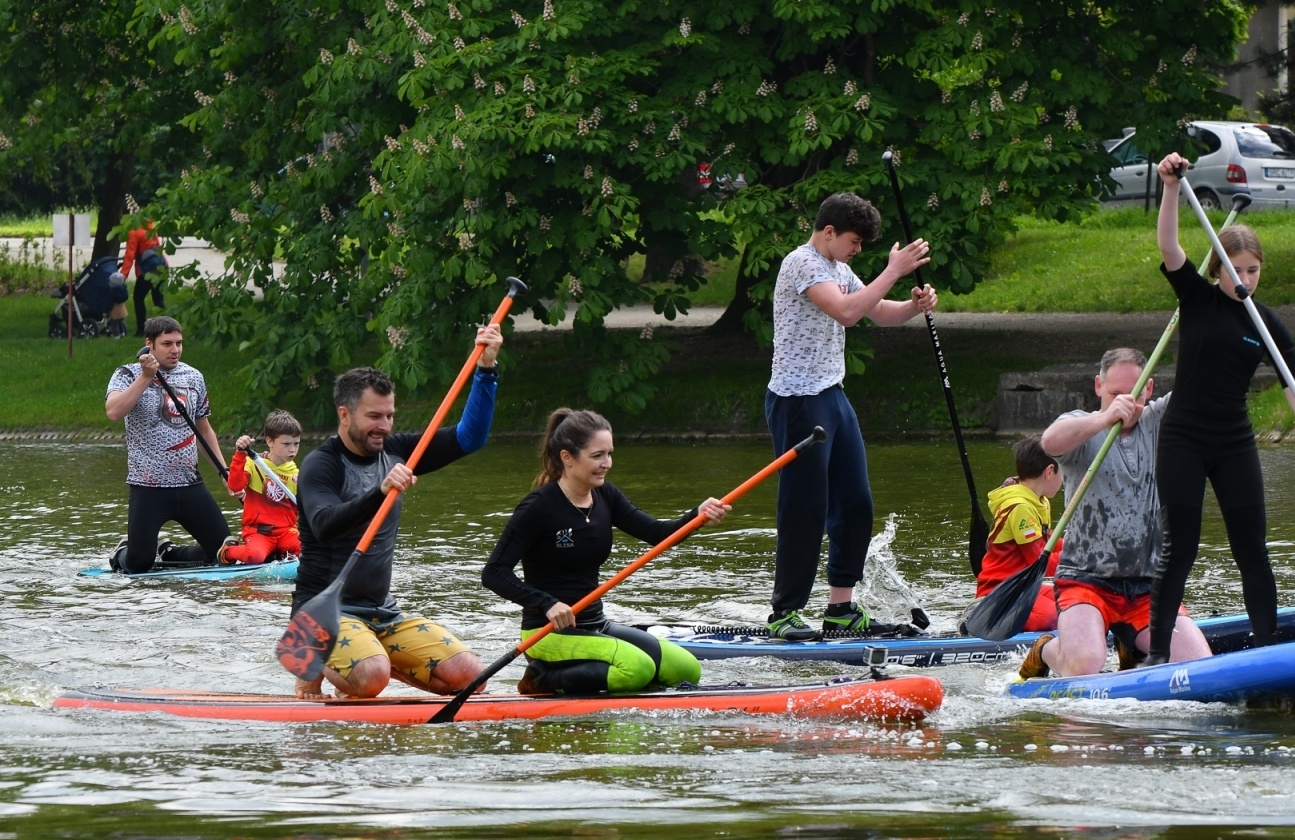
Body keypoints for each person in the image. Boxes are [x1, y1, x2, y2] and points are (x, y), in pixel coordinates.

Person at [1140, 153, 1295, 667]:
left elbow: (1294, 384)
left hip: (1233, 442)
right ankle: (1158, 655)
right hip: (1183, 438)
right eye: (1235, 270)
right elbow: (1169, 246)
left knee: (1252, 549)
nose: (1245, 278)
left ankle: (1267, 652)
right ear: (1218, 269)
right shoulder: (1197, 298)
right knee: (1181, 547)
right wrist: (1170, 187)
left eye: (1253, 270)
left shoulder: (1267, 324)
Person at [291, 325, 502, 699]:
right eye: (374, 417)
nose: (385, 427)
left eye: (389, 416)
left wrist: (486, 369)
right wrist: (380, 492)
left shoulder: (399, 452)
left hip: (383, 613)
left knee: (472, 677)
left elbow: (471, 438)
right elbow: (324, 525)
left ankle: (371, 659)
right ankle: (318, 662)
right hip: (322, 612)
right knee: (372, 678)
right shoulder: (321, 465)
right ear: (344, 414)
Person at [765, 192, 937, 641]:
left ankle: (840, 608)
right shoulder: (801, 263)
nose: (858, 249)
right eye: (854, 241)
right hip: (798, 400)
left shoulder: (840, 268)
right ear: (829, 232)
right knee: (805, 507)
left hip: (832, 395)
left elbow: (877, 312)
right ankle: (784, 611)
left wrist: (914, 306)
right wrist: (893, 271)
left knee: (856, 503)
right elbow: (845, 312)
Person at [481, 408, 731, 695]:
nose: (607, 464)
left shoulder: (606, 495)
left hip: (596, 624)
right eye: (597, 456)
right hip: (547, 632)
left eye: (609, 454)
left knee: (686, 669)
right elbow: (494, 573)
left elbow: (658, 535)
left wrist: (697, 516)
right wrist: (547, 603)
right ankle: (542, 679)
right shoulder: (538, 507)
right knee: (637, 668)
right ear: (567, 458)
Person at [1017, 348, 1212, 679]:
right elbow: (1049, 442)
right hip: (1085, 580)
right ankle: (1048, 649)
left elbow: (1201, 384)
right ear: (1098, 386)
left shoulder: (1160, 419)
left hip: (1150, 585)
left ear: (1149, 388)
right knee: (1084, 666)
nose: (1125, 403)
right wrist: (1104, 419)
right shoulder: (1080, 425)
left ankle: (1131, 644)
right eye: (1115, 394)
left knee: (1198, 666)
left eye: (1134, 394)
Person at [104, 316, 230, 573]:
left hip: (189, 483)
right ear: (149, 344)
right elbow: (114, 412)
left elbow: (203, 429)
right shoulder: (127, 373)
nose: (175, 350)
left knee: (222, 553)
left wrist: (225, 472)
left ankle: (170, 552)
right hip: (148, 486)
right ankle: (121, 553)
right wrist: (146, 377)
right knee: (139, 563)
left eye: (179, 343)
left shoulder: (193, 377)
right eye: (167, 344)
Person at [975, 437, 1064, 634]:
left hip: (1025, 588)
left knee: (1074, 603)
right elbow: (1040, 562)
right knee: (1052, 618)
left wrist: (1082, 545)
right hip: (1001, 591)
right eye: (1063, 472)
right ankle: (982, 615)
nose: (1064, 480)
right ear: (1049, 471)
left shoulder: (1039, 501)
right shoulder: (1020, 507)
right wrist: (1079, 557)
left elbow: (1048, 542)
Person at [219, 410, 302, 565]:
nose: (292, 449)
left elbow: (302, 511)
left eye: (296, 443)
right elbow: (235, 486)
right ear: (270, 441)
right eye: (286, 444)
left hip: (286, 532)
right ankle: (228, 551)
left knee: (309, 548)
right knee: (255, 557)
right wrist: (240, 454)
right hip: (259, 532)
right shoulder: (254, 464)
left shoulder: (296, 474)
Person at [120, 220, 167, 332]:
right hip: (161, 268)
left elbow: (129, 255)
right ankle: (166, 328)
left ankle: (141, 329)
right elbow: (159, 248)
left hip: (146, 272)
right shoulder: (151, 228)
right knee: (158, 300)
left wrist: (123, 275)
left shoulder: (134, 232)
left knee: (138, 298)